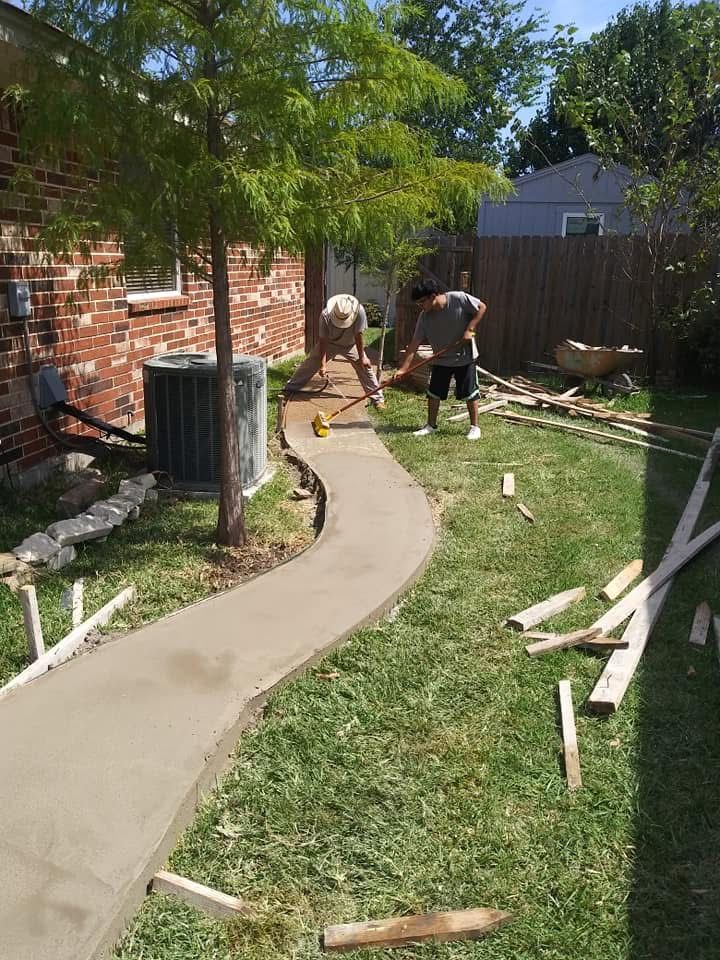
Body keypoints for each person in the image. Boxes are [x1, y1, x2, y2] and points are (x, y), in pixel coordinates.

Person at [396, 280, 487, 440]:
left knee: (469, 393)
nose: (420, 306)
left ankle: (474, 427)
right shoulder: (424, 317)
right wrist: (403, 368)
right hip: (441, 358)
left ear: (433, 296)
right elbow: (414, 344)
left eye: (422, 302)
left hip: (464, 357)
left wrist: (470, 329)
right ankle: (431, 425)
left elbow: (482, 307)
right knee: (434, 393)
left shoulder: (458, 298)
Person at [284, 294, 385, 407]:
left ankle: (377, 398)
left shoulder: (359, 311)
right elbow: (323, 341)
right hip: (330, 343)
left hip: (351, 345)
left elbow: (358, 335)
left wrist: (363, 357)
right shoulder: (325, 315)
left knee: (365, 367)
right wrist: (322, 365)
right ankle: (290, 389)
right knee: (311, 362)